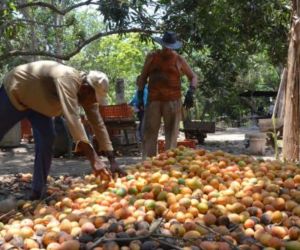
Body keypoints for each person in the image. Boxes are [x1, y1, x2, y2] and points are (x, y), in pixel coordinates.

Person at [0, 60, 125, 200]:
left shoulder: (87, 95)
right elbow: (73, 119)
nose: (93, 102)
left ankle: (37, 192)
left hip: (40, 106)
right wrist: (94, 159)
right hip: (17, 90)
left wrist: (112, 160)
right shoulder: (67, 78)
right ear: (85, 88)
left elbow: (98, 124)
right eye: (93, 98)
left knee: (47, 140)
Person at [137, 31, 198, 158]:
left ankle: (168, 160)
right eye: (166, 46)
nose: (167, 49)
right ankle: (149, 160)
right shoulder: (152, 57)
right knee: (150, 131)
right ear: (162, 44)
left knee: (171, 132)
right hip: (154, 100)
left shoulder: (179, 59)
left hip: (173, 100)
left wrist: (191, 91)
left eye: (170, 47)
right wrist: (140, 97)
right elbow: (142, 78)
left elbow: (193, 77)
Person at [129, 76, 148, 142]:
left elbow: (145, 100)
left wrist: (145, 107)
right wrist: (129, 104)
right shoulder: (139, 90)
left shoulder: (145, 90)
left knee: (143, 126)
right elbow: (134, 100)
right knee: (141, 125)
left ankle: (143, 140)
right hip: (140, 110)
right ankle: (142, 139)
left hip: (144, 110)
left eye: (138, 81)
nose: (136, 83)